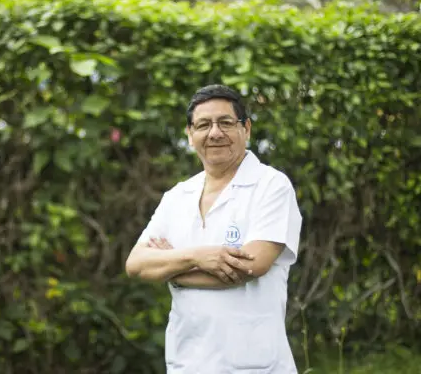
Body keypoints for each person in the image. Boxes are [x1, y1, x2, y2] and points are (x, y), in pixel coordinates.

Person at [125, 84, 302, 373]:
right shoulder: (177, 196)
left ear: (246, 129)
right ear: (190, 134)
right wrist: (197, 257)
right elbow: (136, 264)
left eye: (225, 122)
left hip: (254, 366)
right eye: (203, 125)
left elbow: (248, 267)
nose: (215, 133)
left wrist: (170, 270)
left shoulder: (271, 186)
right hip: (187, 363)